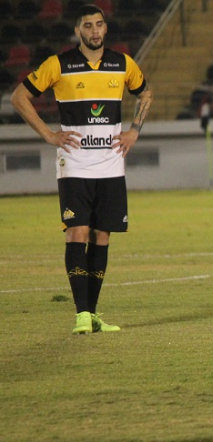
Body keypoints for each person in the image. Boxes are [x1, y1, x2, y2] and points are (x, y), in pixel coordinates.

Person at [10, 4, 153, 335]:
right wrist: (48, 134)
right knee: (77, 231)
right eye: (88, 26)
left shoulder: (122, 64)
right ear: (78, 31)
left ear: (105, 29)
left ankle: (93, 313)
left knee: (102, 236)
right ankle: (81, 314)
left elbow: (145, 92)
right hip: (74, 162)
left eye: (99, 24)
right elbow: (19, 97)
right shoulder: (59, 64)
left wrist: (134, 130)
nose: (95, 31)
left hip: (111, 163)